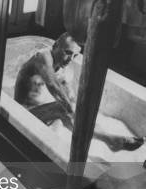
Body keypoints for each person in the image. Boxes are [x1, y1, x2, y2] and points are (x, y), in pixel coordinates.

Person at [14, 33, 144, 152]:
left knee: (72, 111)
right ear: (55, 45)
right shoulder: (43, 57)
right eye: (68, 52)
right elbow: (53, 86)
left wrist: (79, 111)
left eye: (75, 55)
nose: (70, 59)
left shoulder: (61, 66)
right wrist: (71, 110)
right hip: (21, 113)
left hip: (39, 113)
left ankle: (110, 138)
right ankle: (111, 141)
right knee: (63, 109)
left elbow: (70, 95)